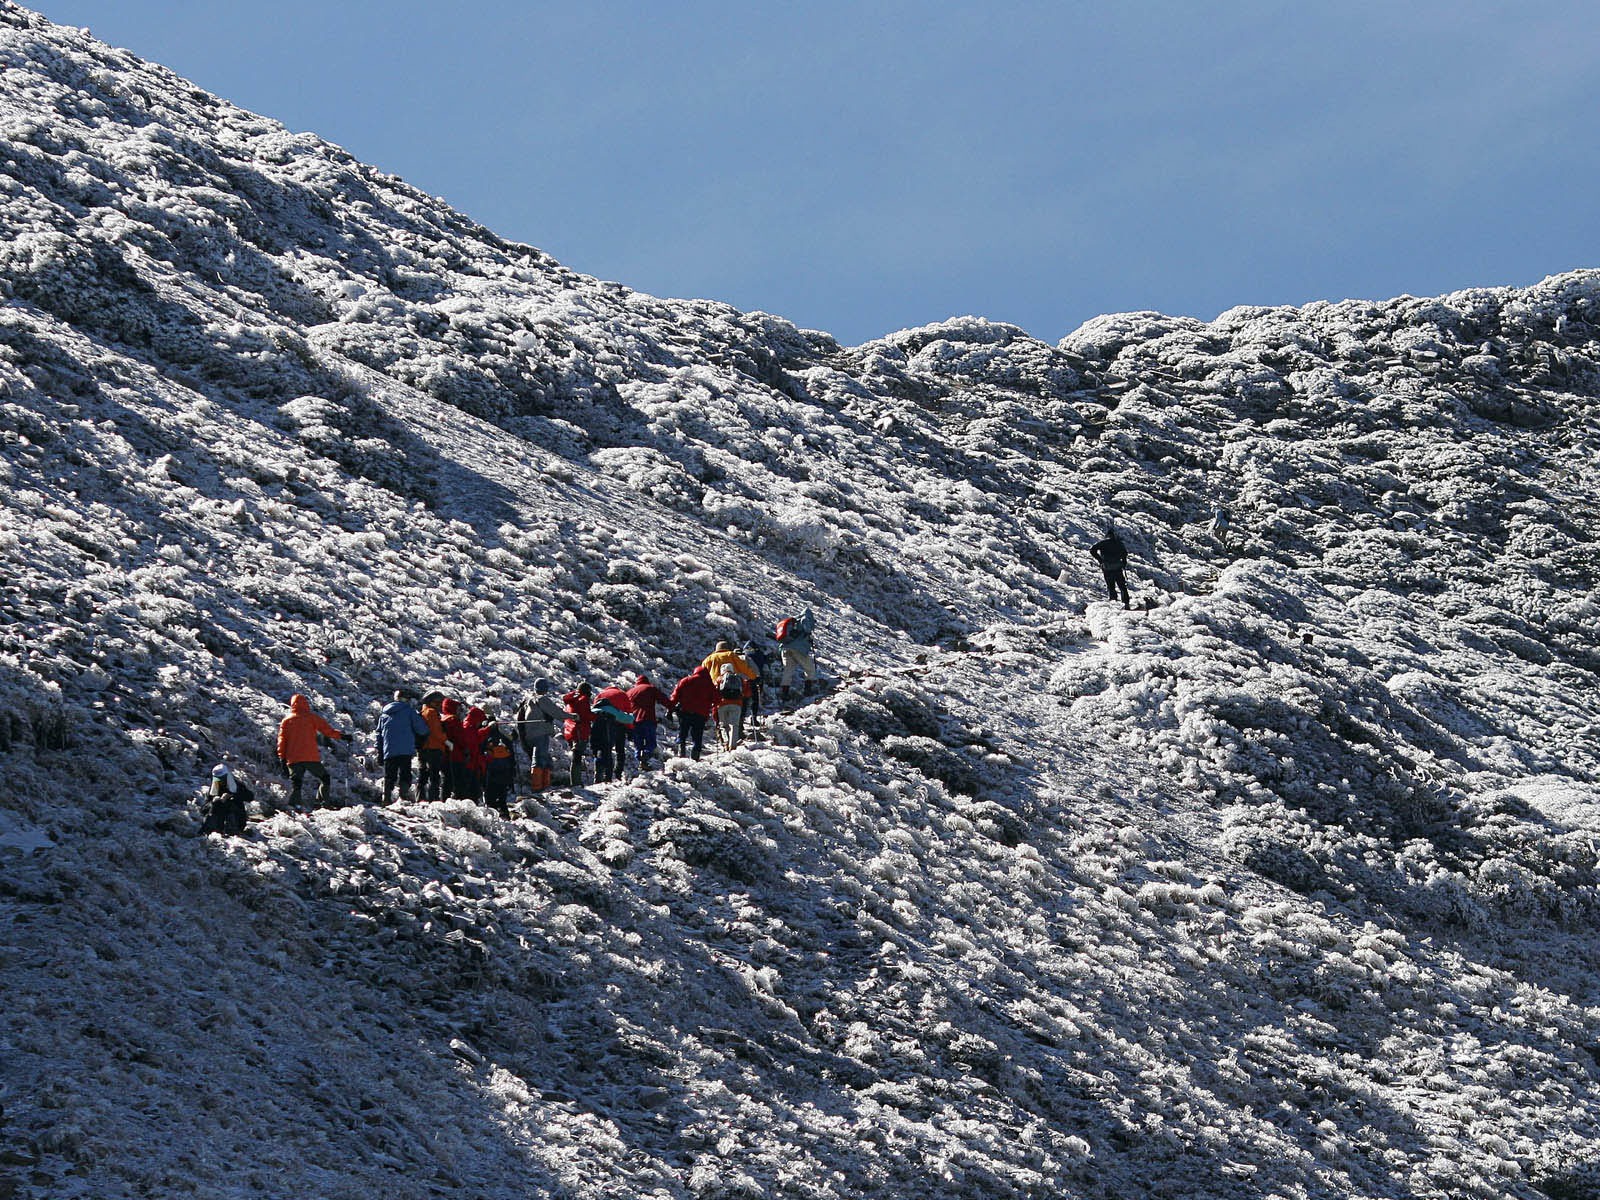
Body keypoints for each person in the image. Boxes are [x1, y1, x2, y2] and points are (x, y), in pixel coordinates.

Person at [275, 693, 346, 810]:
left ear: (292, 704)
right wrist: (342, 736)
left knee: (296, 783)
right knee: (325, 778)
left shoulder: (286, 720)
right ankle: (322, 803)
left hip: (293, 758)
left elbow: (282, 741)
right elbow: (328, 731)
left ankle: (294, 807)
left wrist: (282, 758)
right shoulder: (312, 718)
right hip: (310, 757)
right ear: (306, 704)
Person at [376, 691, 430, 805]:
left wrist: (380, 752)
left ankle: (386, 798)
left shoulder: (384, 714)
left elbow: (379, 735)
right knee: (405, 774)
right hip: (405, 750)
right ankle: (403, 798)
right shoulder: (410, 712)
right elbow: (422, 730)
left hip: (388, 750)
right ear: (406, 699)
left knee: (389, 775)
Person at [515, 679, 565, 791]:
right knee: (539, 759)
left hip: (529, 735)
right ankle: (538, 787)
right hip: (541, 733)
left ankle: (543, 786)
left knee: (545, 759)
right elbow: (558, 713)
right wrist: (574, 716)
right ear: (545, 688)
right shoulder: (542, 699)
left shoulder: (528, 701)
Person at [668, 666, 716, 761]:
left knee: (682, 733)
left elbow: (675, 696)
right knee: (697, 737)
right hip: (701, 715)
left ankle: (681, 754)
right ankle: (695, 758)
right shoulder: (709, 684)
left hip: (685, 712)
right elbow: (716, 699)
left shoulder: (686, 680)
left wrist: (669, 709)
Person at [591, 684, 636, 783]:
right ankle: (616, 774)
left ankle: (598, 774)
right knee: (619, 750)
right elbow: (628, 714)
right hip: (617, 725)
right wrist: (630, 730)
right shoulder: (621, 694)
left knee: (602, 750)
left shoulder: (600, 694)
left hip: (597, 727)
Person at [626, 674, 670, 771]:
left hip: (633, 722)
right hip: (648, 719)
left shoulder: (630, 692)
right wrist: (672, 707)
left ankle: (641, 763)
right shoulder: (650, 688)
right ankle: (645, 756)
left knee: (638, 744)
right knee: (651, 743)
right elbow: (663, 699)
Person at [480, 712, 518, 817]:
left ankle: (492, 814)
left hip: (491, 770)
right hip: (505, 770)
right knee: (502, 795)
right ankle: (504, 813)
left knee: (490, 795)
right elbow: (511, 752)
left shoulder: (484, 736)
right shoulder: (503, 737)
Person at [775, 609, 818, 700]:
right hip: (798, 649)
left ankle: (784, 693)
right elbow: (807, 629)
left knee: (788, 671)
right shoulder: (805, 618)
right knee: (810, 669)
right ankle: (807, 690)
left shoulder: (794, 621)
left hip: (785, 648)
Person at [200, 763, 252, 836]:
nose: (220, 781)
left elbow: (250, 797)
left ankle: (232, 831)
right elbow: (203, 809)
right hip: (218, 823)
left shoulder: (237, 785)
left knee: (229, 804)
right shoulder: (214, 788)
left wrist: (232, 796)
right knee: (216, 804)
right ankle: (208, 831)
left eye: (222, 778)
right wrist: (213, 802)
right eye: (217, 779)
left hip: (237, 820)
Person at [1090, 524, 1132, 608]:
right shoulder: (1119, 543)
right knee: (1122, 586)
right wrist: (1123, 563)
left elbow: (1092, 550)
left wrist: (1100, 560)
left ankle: (1114, 603)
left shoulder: (1103, 543)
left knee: (1111, 586)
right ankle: (1126, 603)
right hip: (1117, 567)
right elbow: (1124, 553)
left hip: (1107, 567)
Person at [418, 691, 449, 803]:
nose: (439, 705)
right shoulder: (431, 713)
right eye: (437, 702)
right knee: (434, 776)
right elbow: (436, 732)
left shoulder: (423, 712)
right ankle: (433, 800)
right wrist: (446, 740)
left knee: (423, 775)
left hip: (424, 748)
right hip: (433, 748)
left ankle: (420, 798)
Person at [562, 683, 594, 787]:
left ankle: (575, 781)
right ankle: (576, 782)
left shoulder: (571, 700)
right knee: (577, 756)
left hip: (570, 731)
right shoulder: (583, 700)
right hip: (580, 731)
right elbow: (586, 715)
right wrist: (596, 715)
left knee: (576, 755)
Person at [459, 706, 490, 801]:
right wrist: (488, 729)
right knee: (471, 791)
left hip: (473, 764)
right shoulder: (468, 727)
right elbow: (475, 740)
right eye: (480, 721)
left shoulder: (470, 726)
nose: (480, 724)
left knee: (474, 790)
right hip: (469, 764)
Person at [439, 697, 468, 799]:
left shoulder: (443, 719)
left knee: (447, 780)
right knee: (458, 782)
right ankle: (458, 802)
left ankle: (444, 799)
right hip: (456, 755)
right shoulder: (453, 720)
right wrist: (465, 748)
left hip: (445, 754)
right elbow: (459, 738)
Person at [713, 663, 746, 751]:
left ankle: (726, 742)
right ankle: (733, 745)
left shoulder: (719, 679)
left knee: (723, 725)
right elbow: (746, 692)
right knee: (734, 725)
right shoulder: (739, 678)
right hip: (737, 704)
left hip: (722, 704)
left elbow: (715, 692)